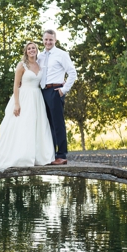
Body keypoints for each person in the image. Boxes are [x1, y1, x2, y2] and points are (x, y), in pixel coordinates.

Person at [0, 42, 55, 169]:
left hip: (37, 98)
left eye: (33, 48)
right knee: (24, 125)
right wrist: (16, 103)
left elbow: (47, 79)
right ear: (26, 51)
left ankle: (38, 156)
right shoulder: (22, 65)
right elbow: (15, 85)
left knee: (38, 126)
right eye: (29, 48)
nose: (31, 50)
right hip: (24, 97)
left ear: (37, 50)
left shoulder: (40, 65)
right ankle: (22, 156)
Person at [38, 29, 77, 165]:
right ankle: (51, 154)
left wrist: (64, 90)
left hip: (55, 91)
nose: (48, 42)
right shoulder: (40, 56)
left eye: (51, 39)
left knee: (58, 124)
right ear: (43, 40)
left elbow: (72, 73)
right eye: (46, 39)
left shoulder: (62, 54)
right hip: (43, 92)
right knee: (47, 124)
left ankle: (61, 155)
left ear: (55, 40)